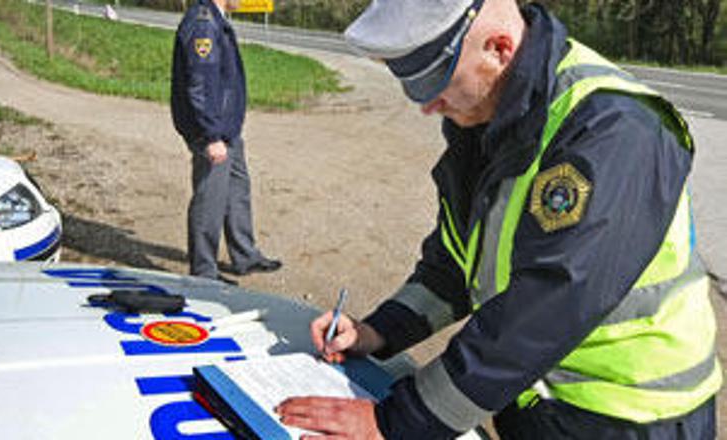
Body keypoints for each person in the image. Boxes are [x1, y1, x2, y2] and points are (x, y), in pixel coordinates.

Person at [275, 0, 721, 438]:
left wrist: (393, 423)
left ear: (499, 48)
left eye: (433, 78)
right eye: (410, 85)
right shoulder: (486, 116)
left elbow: (547, 307)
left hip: (629, 417)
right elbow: (455, 262)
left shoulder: (613, 129)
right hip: (535, 401)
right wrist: (378, 331)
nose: (426, 105)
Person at [171, 0, 281, 284]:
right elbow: (200, 85)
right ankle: (204, 273)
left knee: (237, 191)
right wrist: (211, 136)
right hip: (213, 132)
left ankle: (245, 256)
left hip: (226, 130)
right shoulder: (203, 23)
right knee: (210, 200)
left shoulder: (215, 19)